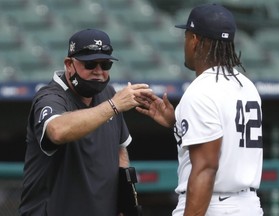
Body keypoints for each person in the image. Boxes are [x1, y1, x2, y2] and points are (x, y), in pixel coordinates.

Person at [136, 3, 263, 216]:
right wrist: (177, 123)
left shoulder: (200, 91)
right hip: (248, 205)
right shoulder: (246, 85)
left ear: (194, 40)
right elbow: (225, 141)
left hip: (213, 205)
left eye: (186, 36)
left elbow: (206, 169)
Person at [19, 28, 151, 216]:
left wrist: (124, 202)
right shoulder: (50, 97)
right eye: (90, 65)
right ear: (69, 64)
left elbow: (120, 149)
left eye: (105, 65)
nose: (98, 72)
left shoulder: (108, 94)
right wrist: (114, 105)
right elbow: (57, 131)